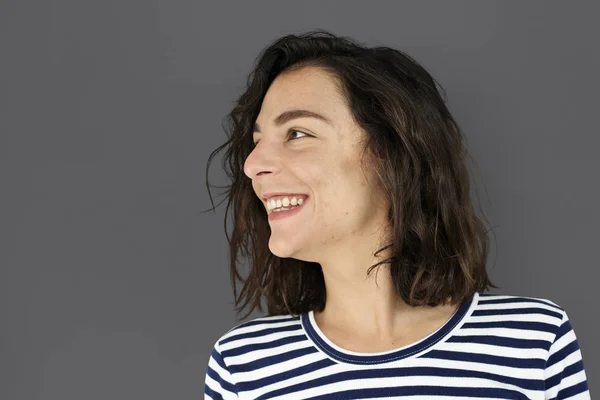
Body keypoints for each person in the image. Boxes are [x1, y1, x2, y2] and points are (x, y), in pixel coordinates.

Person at [202, 30, 590, 399]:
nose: (253, 165)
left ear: (390, 154)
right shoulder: (244, 366)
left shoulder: (532, 341)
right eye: (256, 144)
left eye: (297, 134)